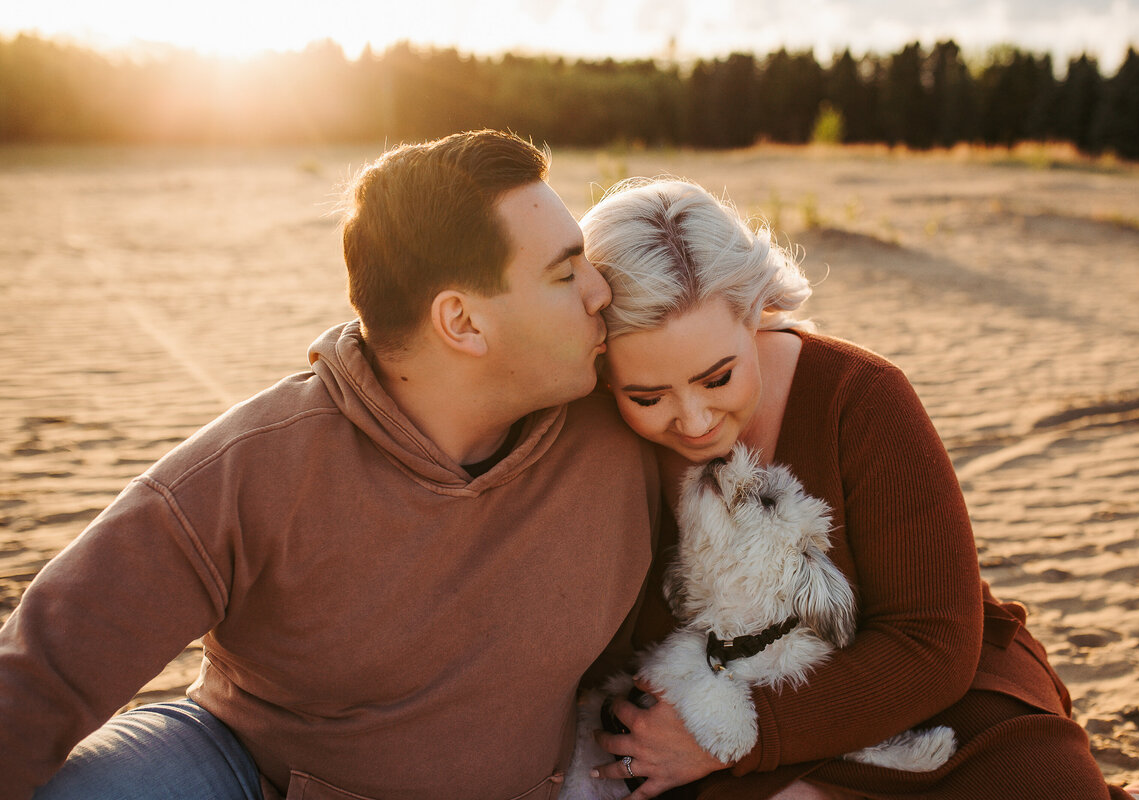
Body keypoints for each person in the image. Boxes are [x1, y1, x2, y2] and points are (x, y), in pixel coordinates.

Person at [0, 130, 661, 800]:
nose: (600, 290)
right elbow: (43, 673)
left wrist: (762, 730)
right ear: (462, 323)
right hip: (250, 770)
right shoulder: (254, 468)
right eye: (564, 272)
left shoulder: (640, 413)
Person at [575, 177, 1139, 800]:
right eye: (647, 396)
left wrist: (743, 735)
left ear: (754, 311)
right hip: (702, 710)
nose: (695, 420)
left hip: (919, 690)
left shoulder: (861, 396)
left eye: (718, 377)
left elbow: (934, 639)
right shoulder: (585, 439)